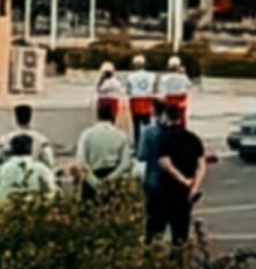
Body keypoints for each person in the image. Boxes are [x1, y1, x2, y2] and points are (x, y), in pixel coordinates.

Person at [155, 104, 206, 245]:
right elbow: (201, 166)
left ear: (166, 118)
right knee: (182, 227)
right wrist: (195, 186)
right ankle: (180, 251)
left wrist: (182, 180)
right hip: (187, 192)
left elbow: (166, 164)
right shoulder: (193, 139)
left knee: (160, 225)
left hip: (167, 188)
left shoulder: (163, 138)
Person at [76, 103, 132, 202]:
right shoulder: (121, 136)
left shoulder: (87, 135)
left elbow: (81, 162)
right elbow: (126, 163)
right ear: (113, 116)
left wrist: (95, 182)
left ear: (97, 116)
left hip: (92, 177)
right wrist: (111, 179)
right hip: (114, 180)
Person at [138, 99, 167, 243]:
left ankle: (151, 242)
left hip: (152, 178)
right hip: (169, 179)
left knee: (152, 214)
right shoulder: (171, 129)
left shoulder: (148, 131)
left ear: (153, 111)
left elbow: (142, 155)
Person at [0, 133, 57, 203]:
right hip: (34, 207)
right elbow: (50, 191)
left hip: (6, 207)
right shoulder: (42, 169)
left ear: (12, 150)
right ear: (31, 149)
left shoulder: (3, 169)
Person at [0, 104, 54, 168]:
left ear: (15, 119)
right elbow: (49, 161)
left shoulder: (5, 139)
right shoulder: (41, 139)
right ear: (31, 119)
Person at [127, 55, 156, 147]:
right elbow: (154, 90)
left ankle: (137, 144)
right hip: (147, 101)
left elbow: (129, 91)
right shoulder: (151, 76)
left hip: (135, 102)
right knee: (148, 125)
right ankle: (148, 143)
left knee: (136, 126)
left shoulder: (131, 76)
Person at [159, 56, 192, 128]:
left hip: (169, 100)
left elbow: (162, 90)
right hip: (181, 99)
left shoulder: (165, 78)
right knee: (182, 117)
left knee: (169, 118)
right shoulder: (183, 77)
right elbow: (189, 86)